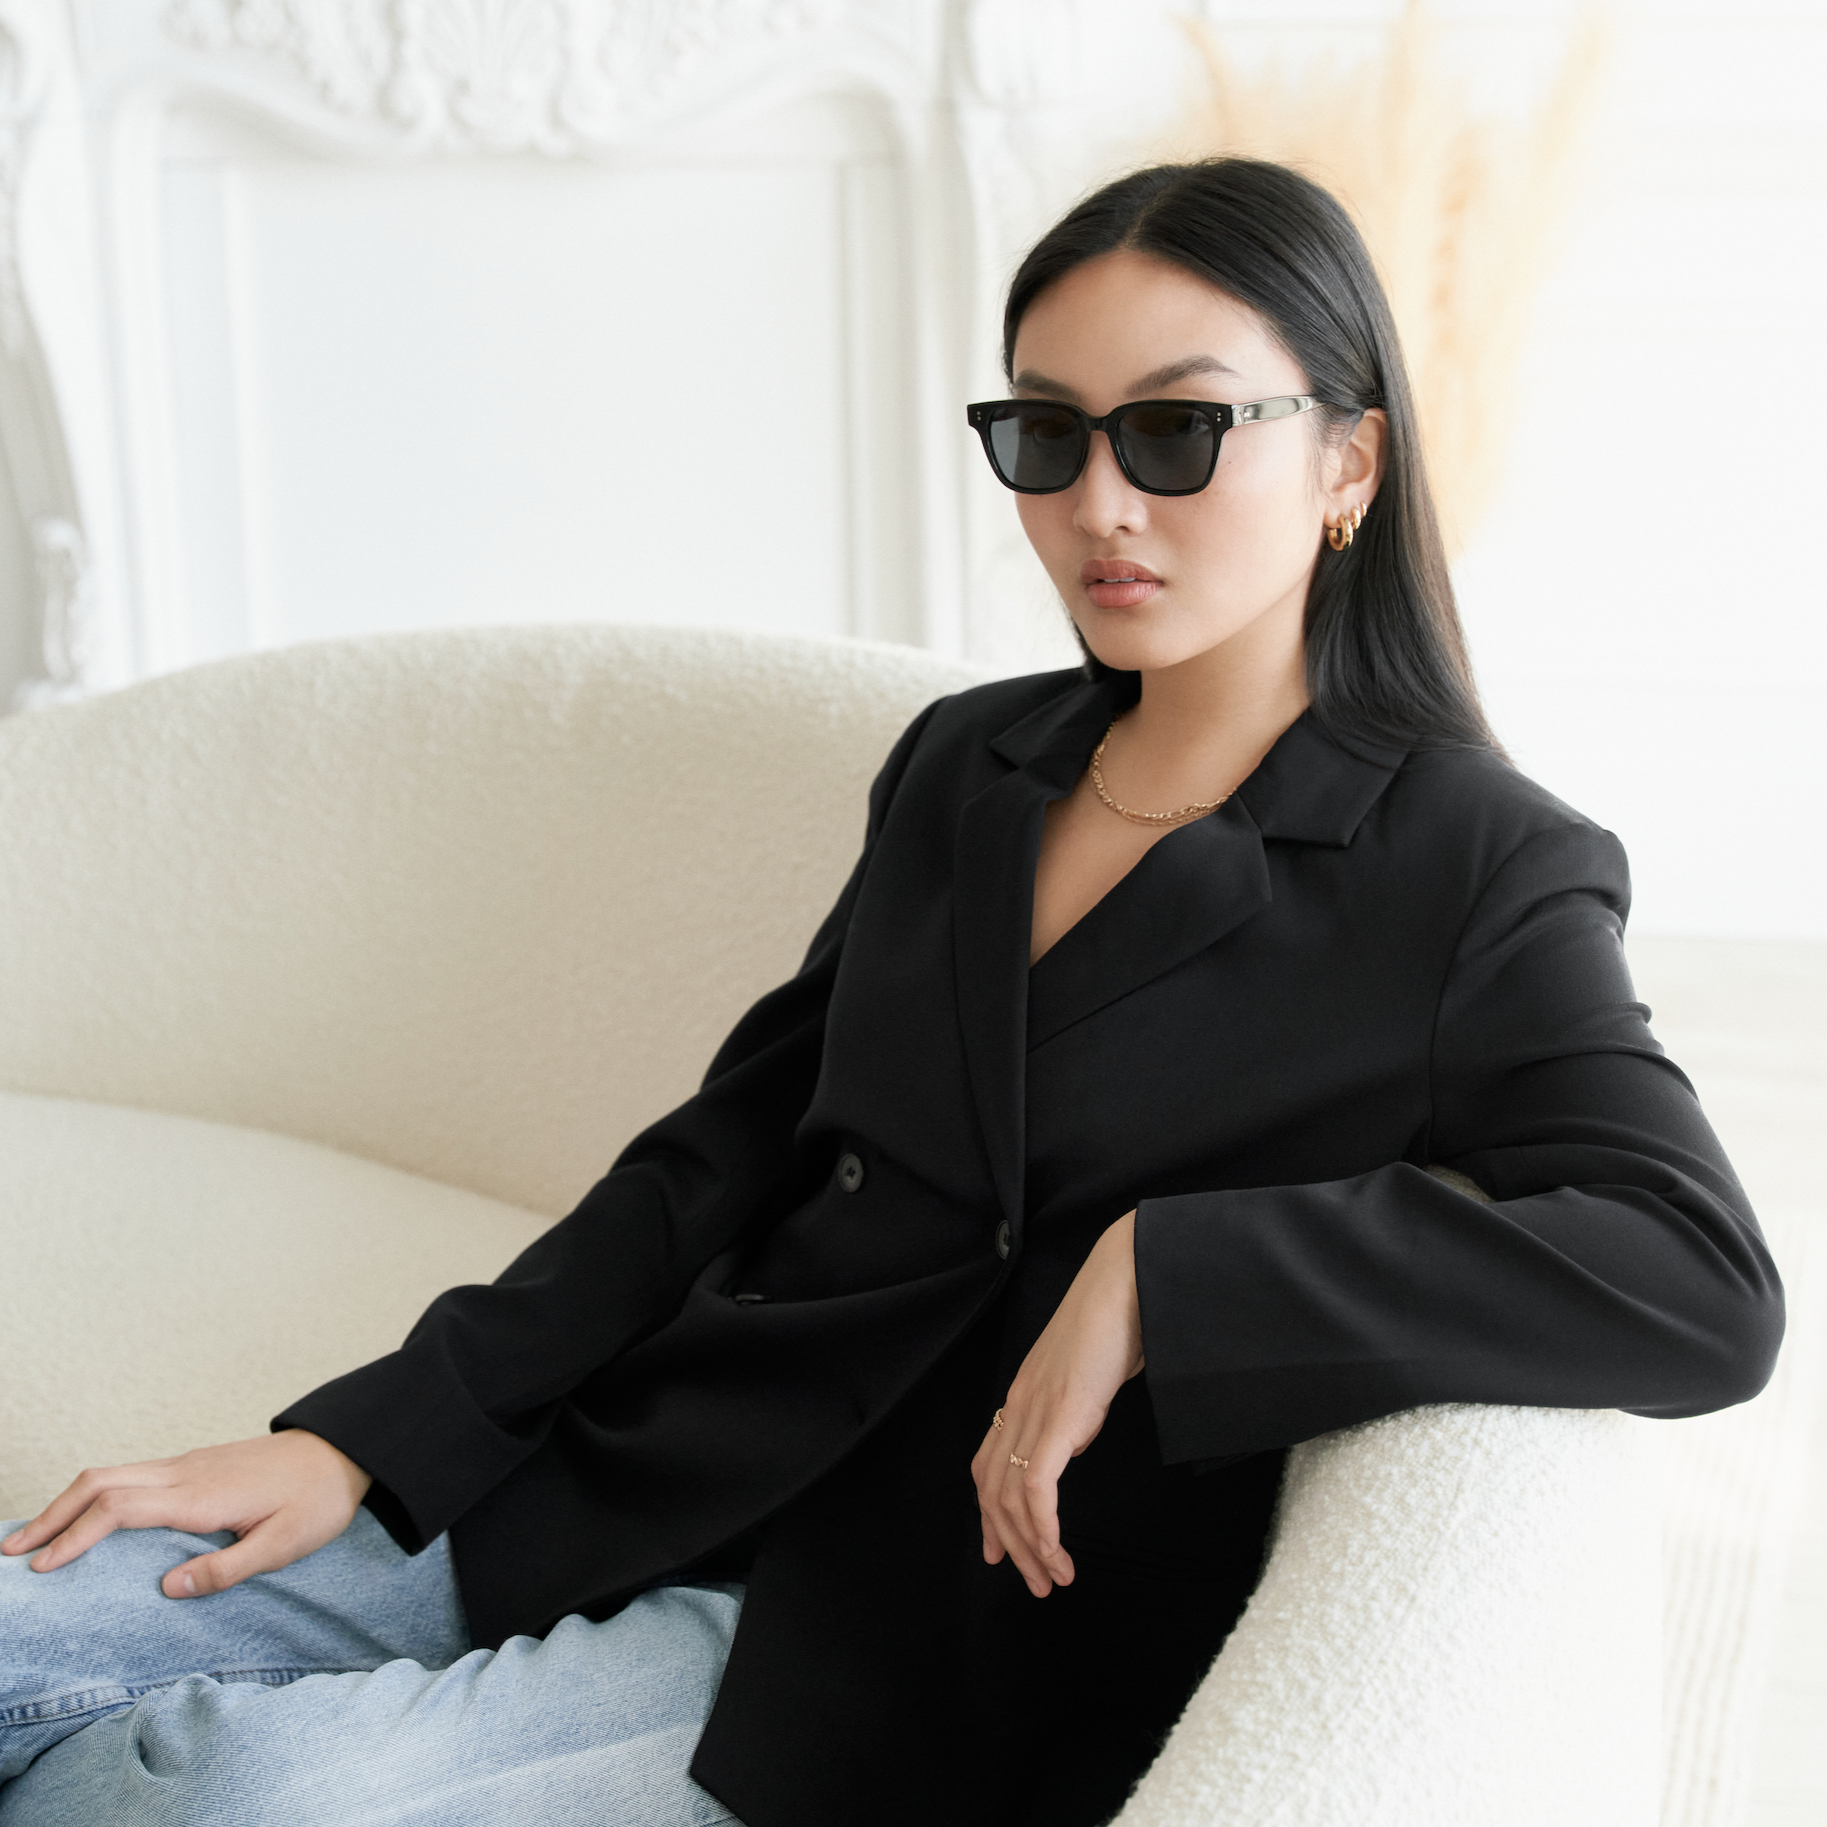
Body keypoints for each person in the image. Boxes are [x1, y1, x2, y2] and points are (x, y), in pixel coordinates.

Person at [0, 158, 1782, 1827]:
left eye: (1176, 430)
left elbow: (1699, 1280)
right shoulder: (970, 762)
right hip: (643, 1467)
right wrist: (365, 1442)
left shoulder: (1473, 865)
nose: (1099, 504)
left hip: (905, 1648)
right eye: (1047, 434)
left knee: (196, 1796)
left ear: (1347, 463)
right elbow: (730, 1149)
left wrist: (1172, 1268)